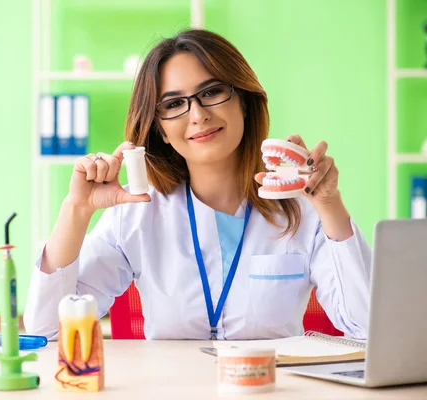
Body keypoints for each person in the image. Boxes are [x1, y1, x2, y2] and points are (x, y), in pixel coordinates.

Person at [24, 29, 370, 341]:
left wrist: (329, 204)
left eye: (212, 92)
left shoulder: (301, 209)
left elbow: (366, 327)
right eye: (174, 104)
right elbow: (47, 328)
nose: (198, 114)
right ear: (159, 127)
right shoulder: (137, 213)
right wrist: (76, 209)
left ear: (245, 103)